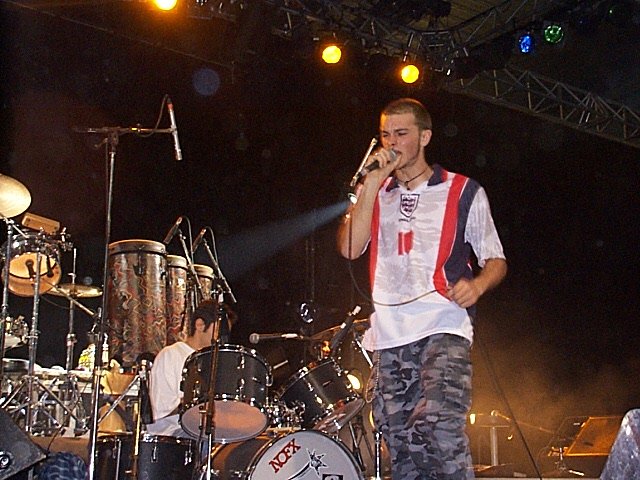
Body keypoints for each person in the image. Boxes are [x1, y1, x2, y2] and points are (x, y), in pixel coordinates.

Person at [337, 98, 507, 479]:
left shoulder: (462, 190)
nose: (391, 143)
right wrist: (371, 184)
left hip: (442, 324)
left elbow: (496, 259)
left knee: (440, 427)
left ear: (425, 136)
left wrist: (478, 285)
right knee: (401, 445)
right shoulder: (375, 193)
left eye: (401, 133)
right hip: (389, 335)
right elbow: (349, 247)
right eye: (385, 134)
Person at [147, 299, 232, 437]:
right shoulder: (171, 355)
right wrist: (195, 402)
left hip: (199, 433)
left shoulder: (215, 362)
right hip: (171, 434)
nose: (222, 339)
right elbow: (160, 408)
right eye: (220, 332)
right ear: (200, 325)